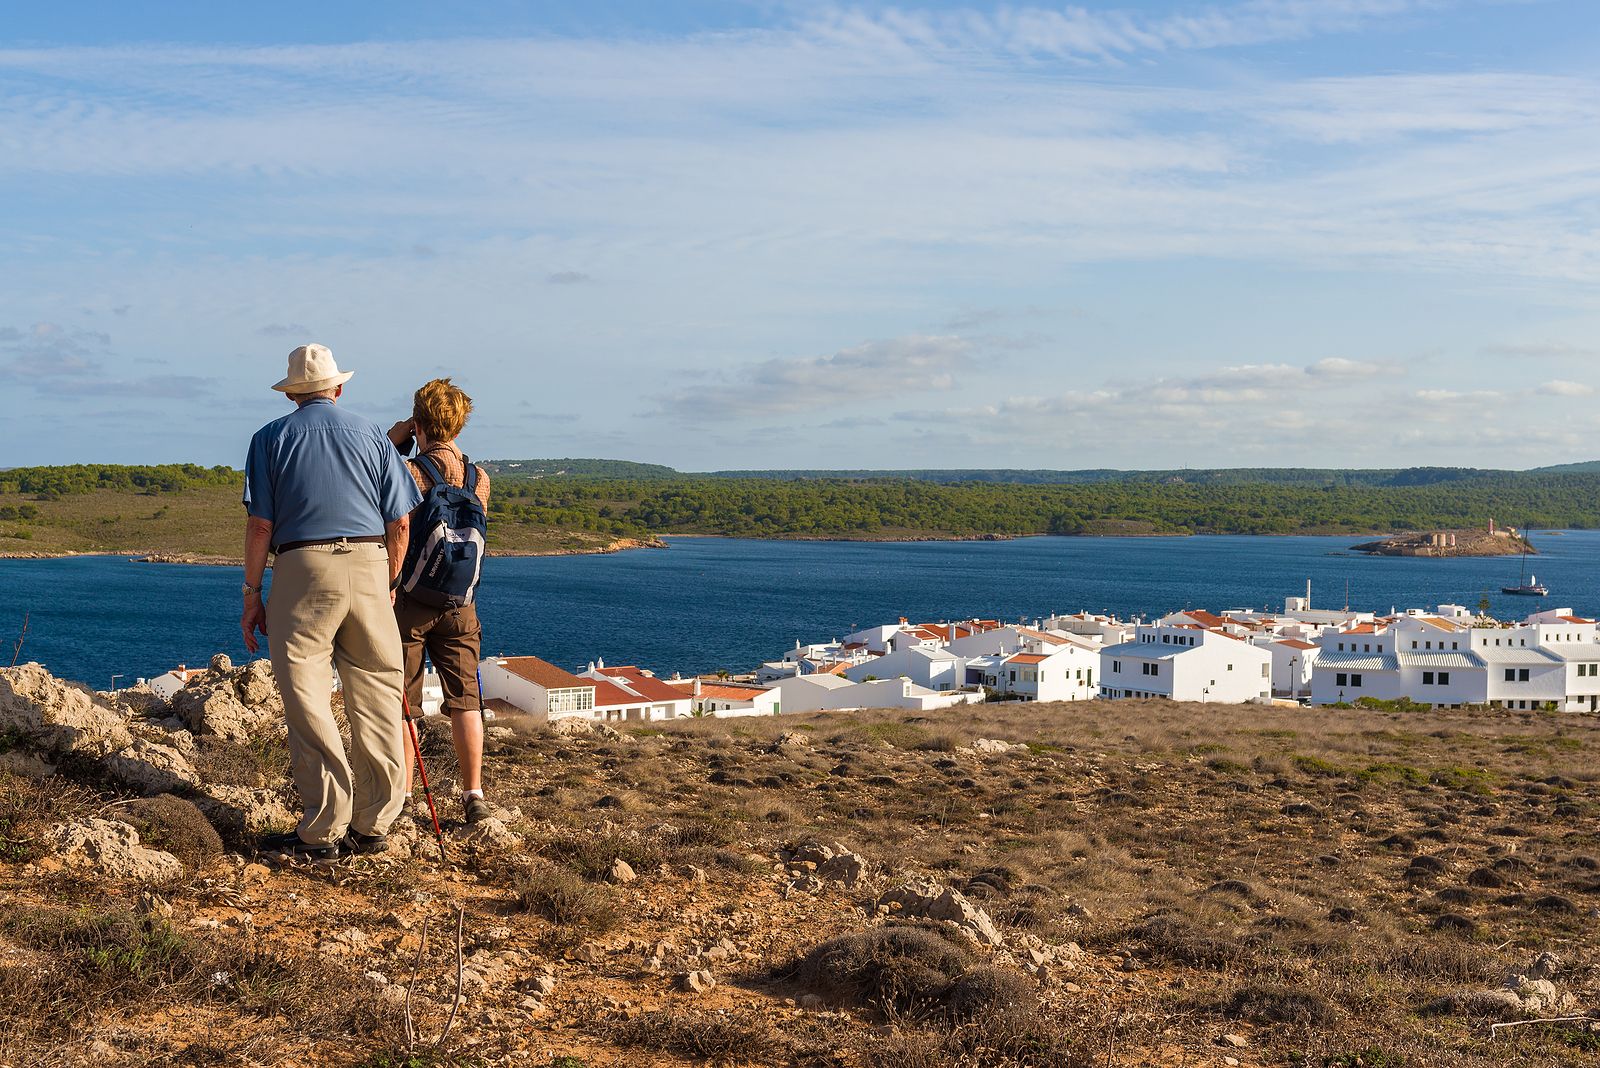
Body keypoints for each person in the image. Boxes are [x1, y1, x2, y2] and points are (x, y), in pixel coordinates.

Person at [241, 344, 422, 862]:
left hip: (302, 567)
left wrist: (253, 593)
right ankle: (375, 823)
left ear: (294, 393)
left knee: (308, 696)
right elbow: (401, 522)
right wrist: (387, 579)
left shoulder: (268, 439)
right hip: (368, 563)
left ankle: (323, 828)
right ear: (338, 389)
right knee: (380, 693)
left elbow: (260, 525)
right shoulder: (371, 435)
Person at [387, 378, 493, 824]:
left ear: (419, 421)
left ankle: (406, 796)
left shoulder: (410, 471)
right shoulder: (479, 477)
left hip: (409, 601)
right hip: (460, 603)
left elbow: (395, 523)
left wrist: (392, 445)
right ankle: (474, 795)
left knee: (403, 703)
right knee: (466, 700)